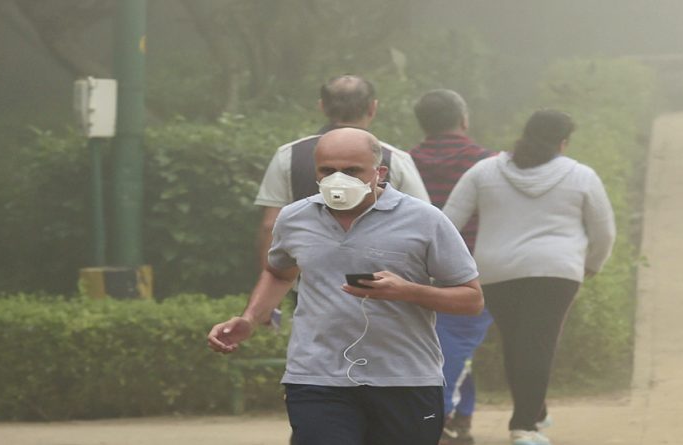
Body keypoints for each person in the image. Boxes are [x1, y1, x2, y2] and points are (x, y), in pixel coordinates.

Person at [209, 127, 484, 445]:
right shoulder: (294, 218)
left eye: (352, 170)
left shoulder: (425, 220)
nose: (338, 179)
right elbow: (279, 273)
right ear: (316, 172)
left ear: (379, 173)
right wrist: (249, 319)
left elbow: (471, 299)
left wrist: (408, 291)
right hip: (316, 377)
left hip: (406, 378)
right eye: (327, 170)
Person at [442, 110, 616, 445]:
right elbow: (604, 231)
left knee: (517, 342)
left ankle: (533, 412)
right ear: (563, 142)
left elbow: (447, 223)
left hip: (496, 271)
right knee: (538, 344)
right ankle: (524, 427)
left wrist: (449, 267)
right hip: (557, 270)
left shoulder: (484, 171)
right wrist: (592, 264)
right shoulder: (581, 175)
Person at [254, 74, 429, 271]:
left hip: (308, 282)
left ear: (322, 107)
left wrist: (272, 284)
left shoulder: (288, 154)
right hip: (381, 283)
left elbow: (270, 225)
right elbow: (422, 225)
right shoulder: (396, 158)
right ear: (373, 107)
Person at [409, 89, 496, 445]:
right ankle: (439, 417)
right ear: (464, 120)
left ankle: (460, 417)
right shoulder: (487, 162)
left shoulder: (404, 162)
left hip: (415, 269)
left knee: (448, 345)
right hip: (476, 267)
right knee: (456, 344)